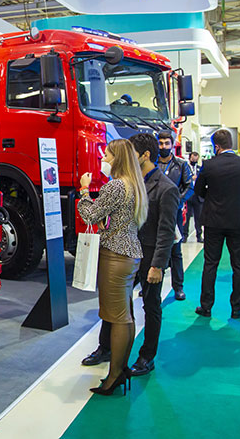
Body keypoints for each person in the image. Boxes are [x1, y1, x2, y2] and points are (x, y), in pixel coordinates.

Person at [80, 135, 178, 377]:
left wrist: (158, 265)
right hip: (123, 253)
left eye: (131, 151)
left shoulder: (166, 188)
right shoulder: (127, 181)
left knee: (151, 306)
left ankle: (146, 356)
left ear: (145, 155)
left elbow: (166, 231)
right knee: (114, 304)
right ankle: (106, 348)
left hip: (148, 256)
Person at [78, 139, 148, 396]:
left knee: (118, 318)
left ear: (117, 158)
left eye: (107, 155)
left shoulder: (116, 185)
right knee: (125, 316)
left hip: (115, 256)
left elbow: (89, 215)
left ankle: (115, 375)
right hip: (129, 254)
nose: (104, 159)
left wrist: (84, 191)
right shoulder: (134, 184)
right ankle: (120, 369)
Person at [193, 129, 240, 319]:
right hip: (239, 221)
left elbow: (198, 190)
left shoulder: (209, 165)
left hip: (213, 221)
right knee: (239, 265)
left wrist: (212, 200)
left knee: (210, 264)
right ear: (231, 144)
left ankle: (206, 306)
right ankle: (237, 307)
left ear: (216, 146)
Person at [156, 131, 193, 301]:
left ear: (172, 145)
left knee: (175, 251)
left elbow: (189, 186)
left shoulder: (181, 164)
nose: (163, 146)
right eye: (161, 143)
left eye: (166, 143)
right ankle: (151, 285)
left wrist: (177, 200)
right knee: (152, 249)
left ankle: (178, 287)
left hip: (174, 213)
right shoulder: (152, 163)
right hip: (153, 212)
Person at [183, 152, 204, 243]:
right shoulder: (186, 168)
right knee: (187, 217)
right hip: (188, 195)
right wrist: (191, 178)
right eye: (193, 159)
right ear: (189, 158)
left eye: (196, 159)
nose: (194, 160)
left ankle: (199, 235)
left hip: (198, 196)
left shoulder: (200, 169)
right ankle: (184, 235)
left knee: (198, 217)